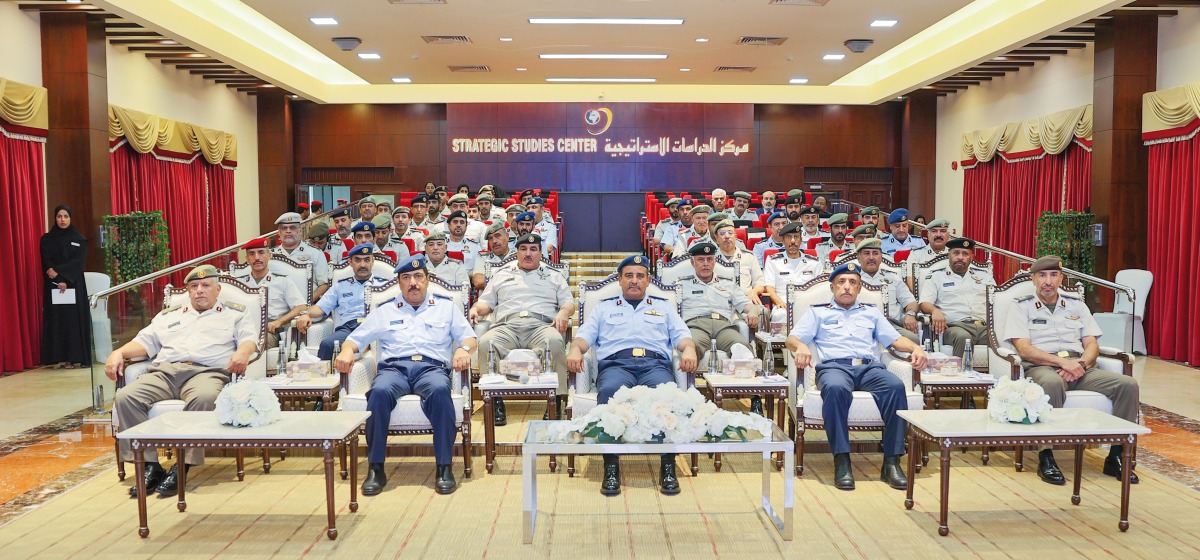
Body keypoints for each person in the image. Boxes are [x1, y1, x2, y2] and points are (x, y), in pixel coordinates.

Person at [108, 265, 258, 498]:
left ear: (217, 289)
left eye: (206, 285)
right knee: (126, 397)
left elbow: (250, 340)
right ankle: (150, 466)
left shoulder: (235, 313)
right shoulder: (169, 316)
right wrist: (118, 353)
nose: (199, 290)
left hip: (206, 373)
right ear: (188, 291)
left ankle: (182, 466)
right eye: (194, 286)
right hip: (165, 372)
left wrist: (243, 353)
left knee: (205, 397)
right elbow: (145, 343)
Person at [336, 254, 476, 496]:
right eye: (407, 278)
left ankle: (444, 467)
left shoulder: (445, 307)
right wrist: (347, 351)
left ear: (427, 280)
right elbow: (355, 339)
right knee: (378, 393)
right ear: (399, 283)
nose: (413, 283)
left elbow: (471, 338)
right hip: (394, 369)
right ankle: (376, 469)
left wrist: (463, 350)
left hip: (431, 369)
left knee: (441, 391)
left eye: (418, 277)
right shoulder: (385, 310)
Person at [786, 262, 928, 491]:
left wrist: (915, 348)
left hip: (869, 368)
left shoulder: (871, 313)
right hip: (834, 368)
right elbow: (791, 339)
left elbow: (893, 340)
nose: (847, 287)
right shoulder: (818, 312)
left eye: (853, 282)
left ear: (859, 288)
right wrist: (800, 347)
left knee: (894, 386)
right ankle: (842, 460)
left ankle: (891, 462)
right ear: (832, 287)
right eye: (841, 282)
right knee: (835, 389)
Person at [566, 255, 697, 496]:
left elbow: (682, 336)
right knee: (608, 392)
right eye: (628, 276)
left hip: (654, 365)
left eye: (639, 276)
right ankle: (611, 466)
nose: (634, 281)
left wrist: (688, 348)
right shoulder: (603, 308)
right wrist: (575, 349)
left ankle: (667, 465)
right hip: (617, 365)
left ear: (648, 280)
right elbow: (584, 338)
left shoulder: (663, 307)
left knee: (666, 394)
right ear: (620, 280)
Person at [1005, 255, 1142, 485]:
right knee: (1052, 383)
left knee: (1128, 385)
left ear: (1061, 278)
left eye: (1053, 275)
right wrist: (1062, 363)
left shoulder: (1077, 304)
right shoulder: (1021, 306)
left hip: (1080, 368)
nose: (1048, 281)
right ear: (1033, 279)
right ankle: (1046, 456)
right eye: (1042, 276)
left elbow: (1091, 344)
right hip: (1042, 368)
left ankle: (1117, 456)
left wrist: (1080, 364)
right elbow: (1025, 349)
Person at [470, 233, 575, 424]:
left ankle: (556, 402)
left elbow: (569, 303)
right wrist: (476, 309)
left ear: (541, 254)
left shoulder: (554, 276)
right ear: (516, 252)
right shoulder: (501, 274)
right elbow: (486, 303)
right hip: (507, 326)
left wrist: (563, 313)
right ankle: (494, 402)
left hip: (541, 325)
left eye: (533, 250)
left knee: (554, 341)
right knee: (486, 342)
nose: (528, 254)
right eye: (523, 249)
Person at [678, 243, 762, 412]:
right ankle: (687, 399)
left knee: (742, 347)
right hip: (696, 325)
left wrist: (753, 311)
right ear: (693, 263)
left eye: (709, 259)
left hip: (724, 326)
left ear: (715, 261)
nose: (706, 264)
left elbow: (748, 305)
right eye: (701, 260)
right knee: (691, 348)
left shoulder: (728, 284)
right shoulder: (681, 285)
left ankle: (754, 398)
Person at [295, 244, 389, 360]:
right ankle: (326, 377)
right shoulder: (340, 286)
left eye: (367, 260)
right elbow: (320, 307)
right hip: (349, 328)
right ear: (350, 262)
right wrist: (305, 313)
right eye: (358, 260)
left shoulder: (384, 286)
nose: (363, 264)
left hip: (374, 328)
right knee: (327, 344)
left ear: (372, 261)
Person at [918, 238, 994, 357]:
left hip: (984, 327)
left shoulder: (984, 276)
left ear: (971, 257)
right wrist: (934, 311)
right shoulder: (936, 276)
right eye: (956, 253)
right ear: (949, 255)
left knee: (1001, 338)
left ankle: (1003, 375)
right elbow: (924, 303)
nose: (960, 257)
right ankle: (960, 373)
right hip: (955, 327)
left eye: (965, 254)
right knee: (963, 337)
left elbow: (996, 302)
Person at [231, 237, 306, 348]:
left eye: (261, 253)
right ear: (247, 259)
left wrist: (279, 322)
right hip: (242, 328)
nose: (257, 258)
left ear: (269, 255)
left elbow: (301, 306)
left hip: (269, 331)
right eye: (252, 254)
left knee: (255, 344)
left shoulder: (282, 281)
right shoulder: (239, 283)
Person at [40, 205, 91, 368]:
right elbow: (46, 260)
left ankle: (73, 357)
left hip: (74, 285)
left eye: (66, 216)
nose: (62, 220)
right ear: (55, 218)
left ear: (70, 218)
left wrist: (64, 278)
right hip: (53, 284)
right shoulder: (47, 239)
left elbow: (78, 262)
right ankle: (57, 356)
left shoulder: (79, 239)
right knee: (56, 319)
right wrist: (53, 273)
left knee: (71, 321)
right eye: (59, 216)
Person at [855, 239, 920, 344]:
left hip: (890, 326)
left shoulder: (893, 278)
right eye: (866, 253)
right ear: (858, 258)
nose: (871, 257)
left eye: (875, 253)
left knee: (912, 340)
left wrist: (911, 314)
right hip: (861, 325)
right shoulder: (852, 279)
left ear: (881, 257)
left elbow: (911, 302)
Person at [763, 222, 824, 324]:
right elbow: (769, 287)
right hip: (783, 305)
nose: (792, 241)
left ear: (801, 240)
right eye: (788, 237)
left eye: (796, 237)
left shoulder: (814, 262)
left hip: (808, 305)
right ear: (782, 240)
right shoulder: (773, 261)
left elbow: (820, 288)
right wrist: (780, 303)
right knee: (780, 315)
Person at [273, 211, 331, 301]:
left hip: (307, 306)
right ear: (279, 232)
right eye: (284, 228)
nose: (288, 231)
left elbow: (324, 284)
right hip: (279, 307)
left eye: (292, 228)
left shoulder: (315, 253)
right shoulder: (272, 256)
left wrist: (307, 302)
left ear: (300, 231)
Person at [712, 219, 766, 302]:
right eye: (722, 233)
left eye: (730, 233)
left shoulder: (749, 257)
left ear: (735, 236)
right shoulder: (710, 259)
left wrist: (754, 292)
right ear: (716, 238)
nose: (727, 236)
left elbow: (760, 282)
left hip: (745, 301)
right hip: (719, 302)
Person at [471, 222, 515, 291]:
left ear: (507, 236)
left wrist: (491, 278)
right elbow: (478, 282)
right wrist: (510, 278)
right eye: (490, 238)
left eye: (497, 236)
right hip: (488, 300)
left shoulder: (517, 256)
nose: (494, 241)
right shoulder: (483, 257)